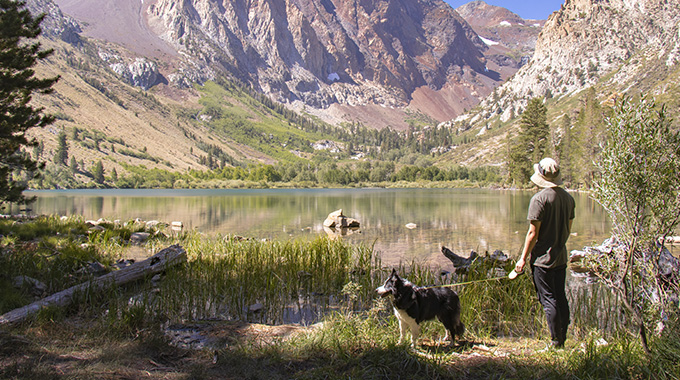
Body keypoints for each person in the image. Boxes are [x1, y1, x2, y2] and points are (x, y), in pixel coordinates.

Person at [515, 158, 575, 349]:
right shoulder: (568, 198)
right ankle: (562, 338)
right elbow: (568, 228)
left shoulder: (539, 199)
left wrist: (522, 259)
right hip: (561, 257)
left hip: (542, 260)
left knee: (548, 300)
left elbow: (533, 233)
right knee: (560, 296)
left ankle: (555, 343)